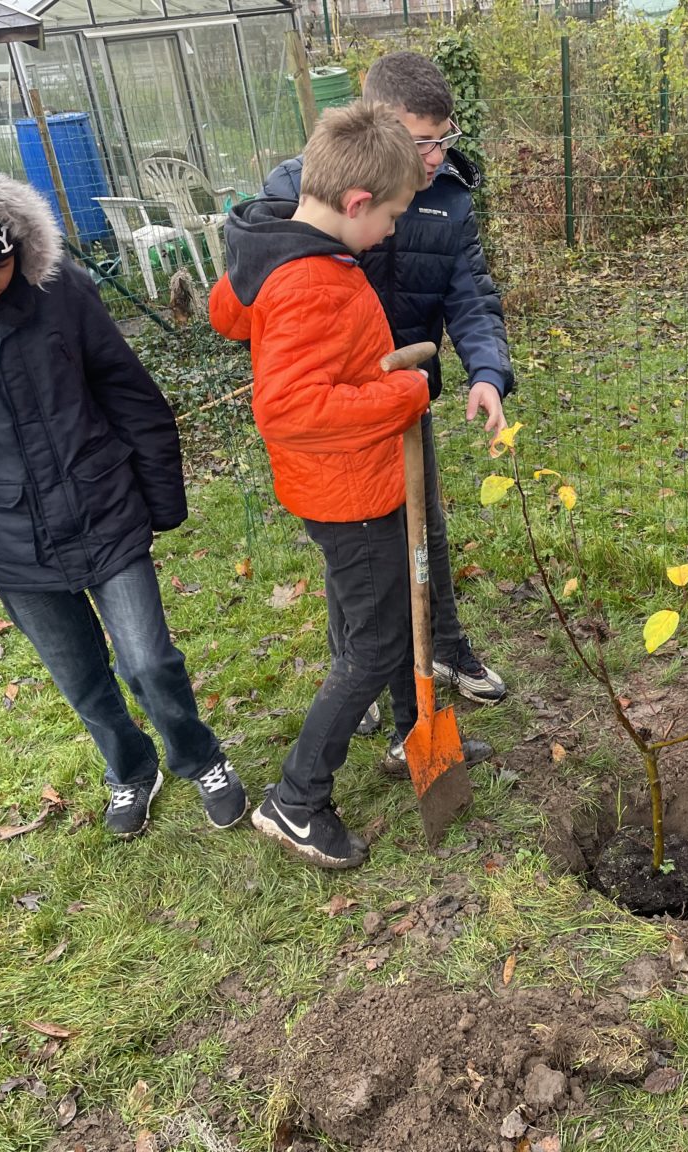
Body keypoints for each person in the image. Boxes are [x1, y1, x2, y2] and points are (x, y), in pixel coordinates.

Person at [0, 137, 244, 839]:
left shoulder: (59, 285)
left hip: (102, 503)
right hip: (9, 534)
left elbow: (128, 391)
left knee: (150, 661)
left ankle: (199, 756)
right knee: (82, 679)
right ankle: (130, 768)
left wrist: (161, 495)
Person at [211, 102, 491, 869]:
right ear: (358, 201)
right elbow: (290, 409)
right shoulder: (313, 280)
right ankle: (297, 799)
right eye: (392, 216)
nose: (393, 232)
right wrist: (404, 394)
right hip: (351, 495)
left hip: (349, 483)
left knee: (391, 616)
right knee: (373, 647)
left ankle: (410, 736)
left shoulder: (281, 250)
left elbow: (230, 311)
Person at [266, 51, 514, 734]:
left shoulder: (449, 196)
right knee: (359, 551)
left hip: (405, 399)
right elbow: (265, 297)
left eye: (443, 138)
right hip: (339, 415)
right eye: (419, 140)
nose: (433, 157)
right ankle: (360, 668)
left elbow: (470, 294)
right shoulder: (305, 188)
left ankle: (444, 650)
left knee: (424, 529)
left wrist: (487, 372)